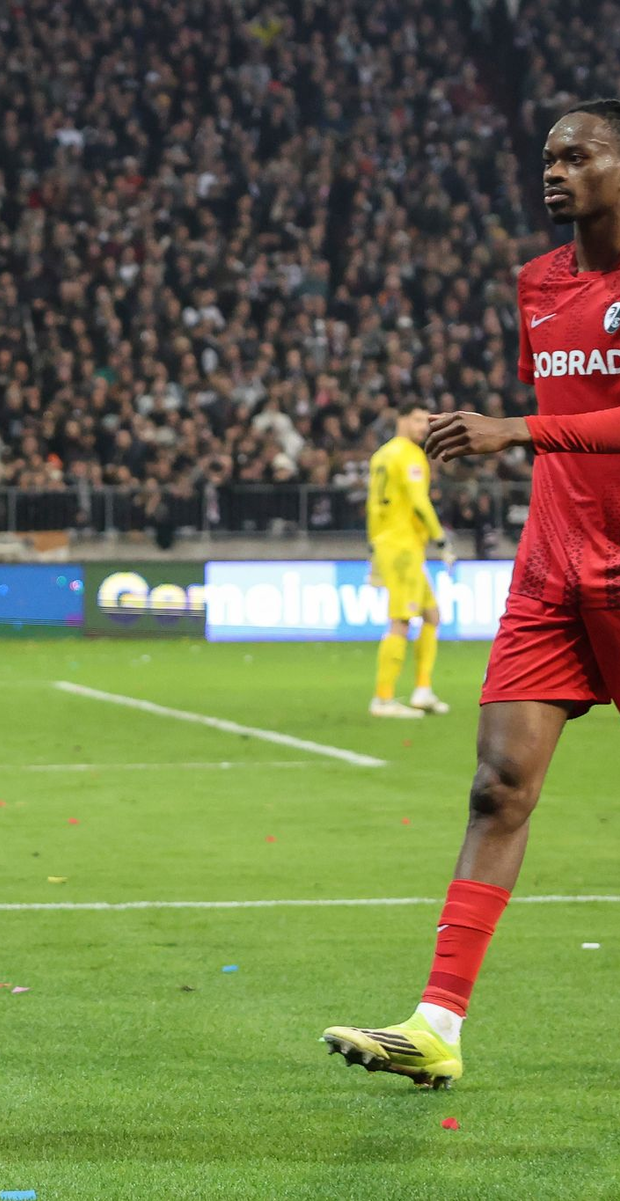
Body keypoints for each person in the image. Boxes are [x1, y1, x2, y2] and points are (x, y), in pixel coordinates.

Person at [325, 99, 620, 1089]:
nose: (556, 171)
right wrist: (515, 440)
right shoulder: (536, 282)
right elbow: (565, 418)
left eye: (580, 156)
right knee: (497, 784)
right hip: (552, 567)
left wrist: (522, 429)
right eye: (549, 157)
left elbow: (567, 420)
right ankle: (438, 1021)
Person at [365, 402, 455, 718]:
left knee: (431, 615)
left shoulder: (381, 455)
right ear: (401, 419)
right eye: (416, 419)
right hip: (402, 547)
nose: (423, 427)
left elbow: (373, 507)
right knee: (401, 620)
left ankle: (422, 690)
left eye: (425, 422)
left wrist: (373, 549)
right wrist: (441, 539)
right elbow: (419, 501)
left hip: (389, 543)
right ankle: (384, 699)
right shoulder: (409, 455)